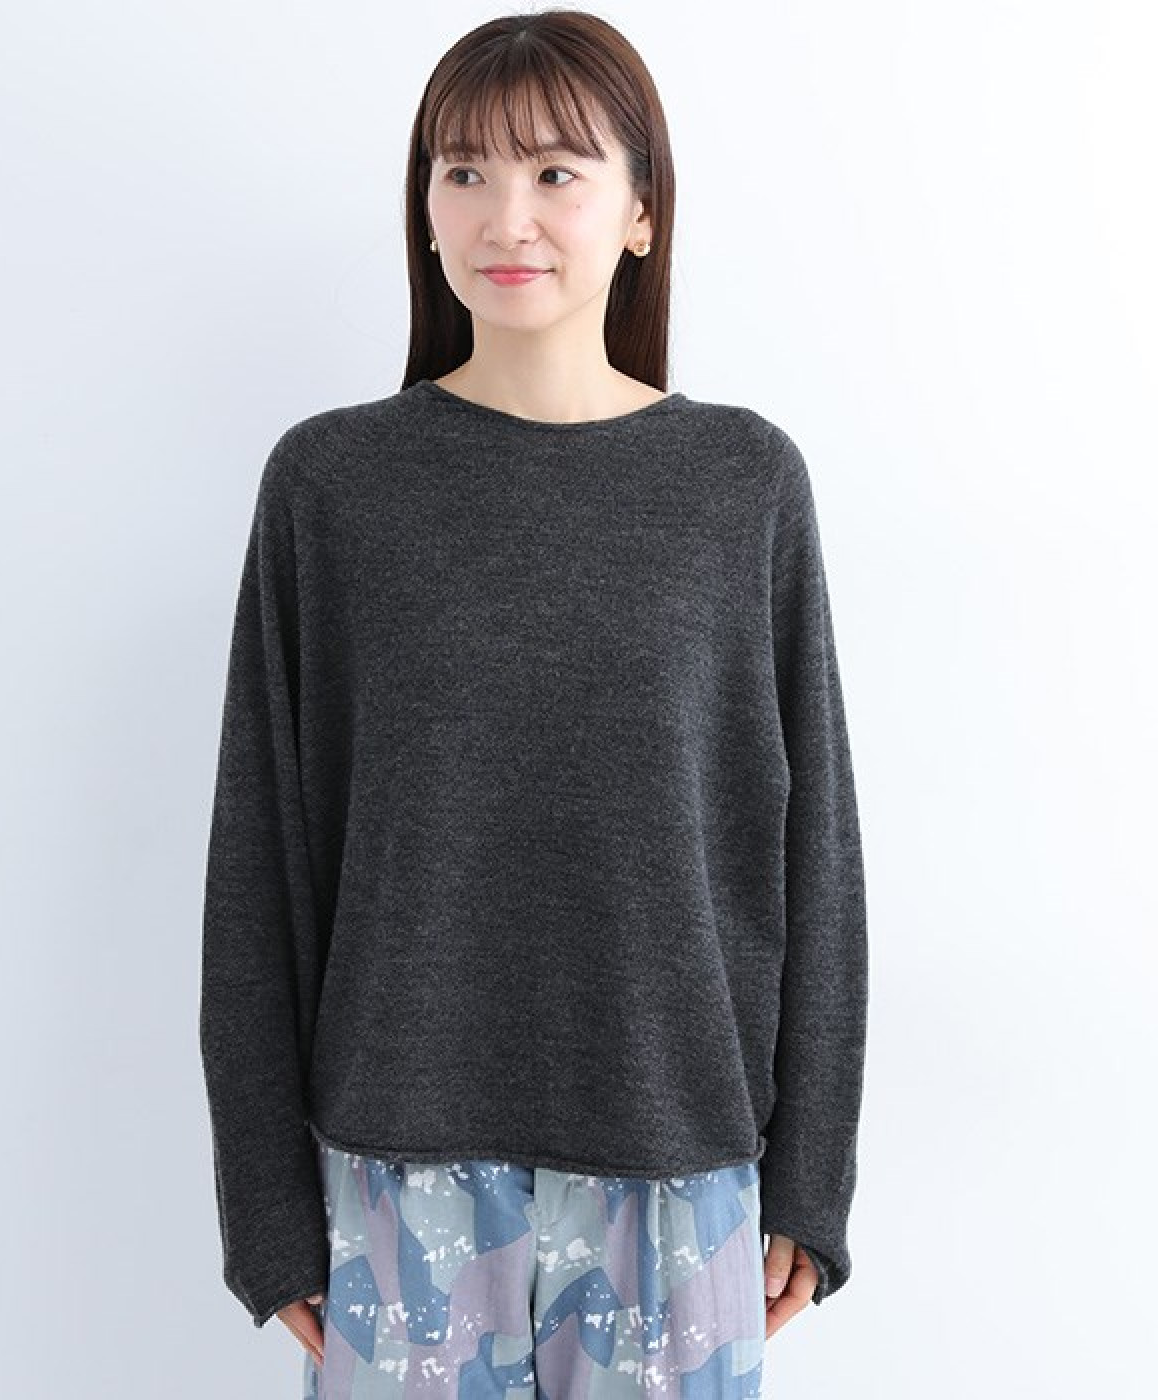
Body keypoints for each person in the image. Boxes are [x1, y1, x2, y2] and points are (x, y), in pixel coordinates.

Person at [199, 10, 869, 1398]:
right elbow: (261, 860)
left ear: (641, 211)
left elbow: (817, 856)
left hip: (679, 1171)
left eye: (558, 171)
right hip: (396, 1178)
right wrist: (266, 1214)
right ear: (425, 206)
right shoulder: (332, 485)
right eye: (465, 171)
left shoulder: (741, 483)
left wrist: (812, 1180)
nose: (507, 216)